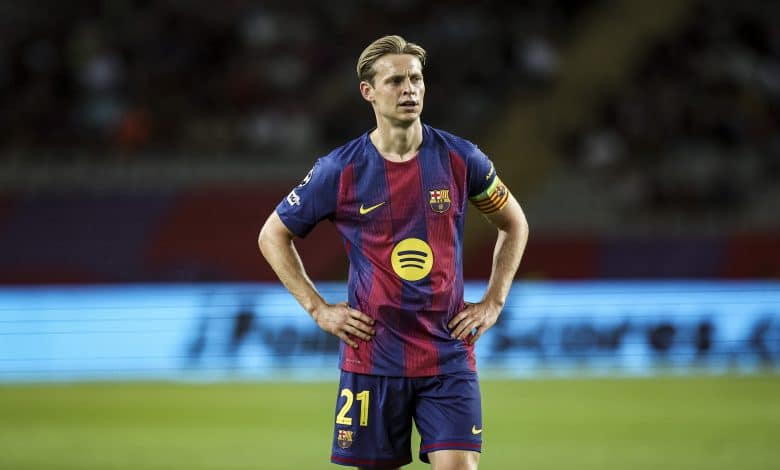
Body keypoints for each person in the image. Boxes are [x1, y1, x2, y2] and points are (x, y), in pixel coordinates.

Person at [258, 35, 528, 470]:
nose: (409, 90)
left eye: (416, 79)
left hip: (448, 352)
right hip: (372, 354)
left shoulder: (462, 159)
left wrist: (494, 302)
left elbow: (514, 223)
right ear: (368, 91)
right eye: (396, 81)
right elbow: (272, 234)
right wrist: (319, 309)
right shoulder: (339, 169)